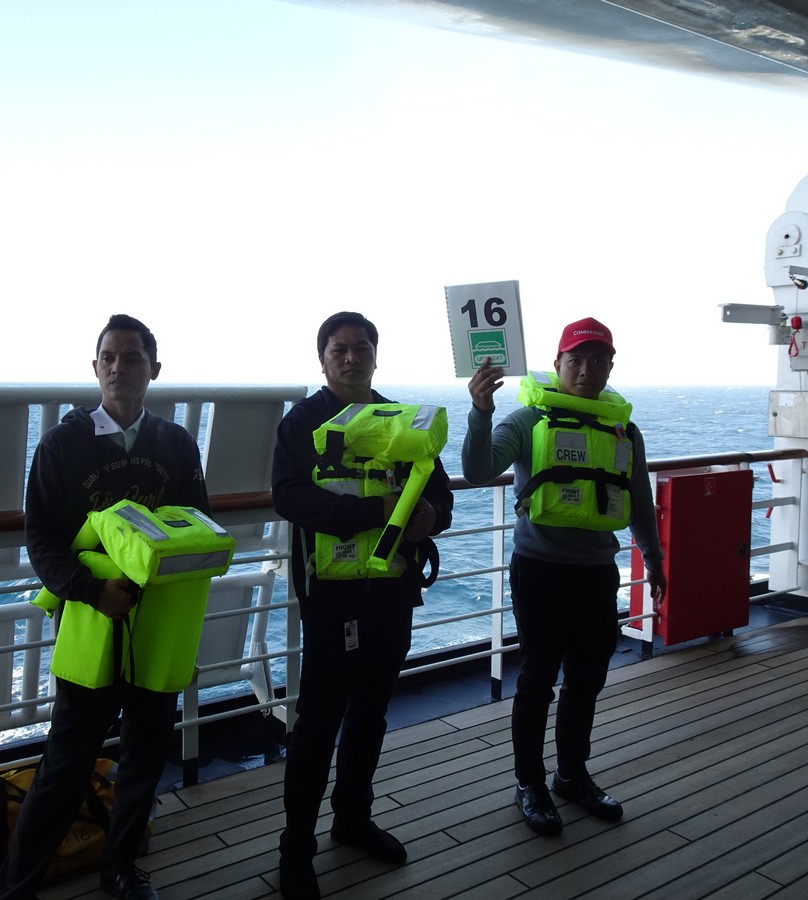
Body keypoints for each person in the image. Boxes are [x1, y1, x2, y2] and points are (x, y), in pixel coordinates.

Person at [0, 315, 209, 900]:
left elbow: (196, 529)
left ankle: (120, 867)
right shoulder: (62, 446)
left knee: (145, 754)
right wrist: (91, 591)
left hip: (159, 624)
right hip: (90, 623)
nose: (119, 368)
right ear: (94, 368)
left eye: (132, 358)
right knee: (67, 760)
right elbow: (42, 538)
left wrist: (184, 629)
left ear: (154, 369)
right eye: (108, 358)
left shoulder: (177, 445)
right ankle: (15, 888)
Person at [272, 311, 454, 899]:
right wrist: (375, 512)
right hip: (331, 595)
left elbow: (440, 492)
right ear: (322, 359)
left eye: (361, 348)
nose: (351, 358)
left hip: (393, 588)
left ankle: (352, 818)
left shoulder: (404, 420)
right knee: (318, 721)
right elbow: (289, 496)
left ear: (376, 354)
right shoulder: (302, 422)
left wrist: (431, 516)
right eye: (339, 349)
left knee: (371, 711)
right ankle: (296, 848)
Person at [461, 316, 666, 837]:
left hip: (597, 571)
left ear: (611, 366)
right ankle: (529, 783)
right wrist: (480, 412)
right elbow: (480, 471)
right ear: (557, 364)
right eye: (576, 359)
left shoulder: (624, 429)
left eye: (598, 359)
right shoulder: (528, 420)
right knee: (537, 680)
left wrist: (654, 558)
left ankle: (571, 775)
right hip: (540, 570)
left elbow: (638, 498)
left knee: (587, 679)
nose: (586, 368)